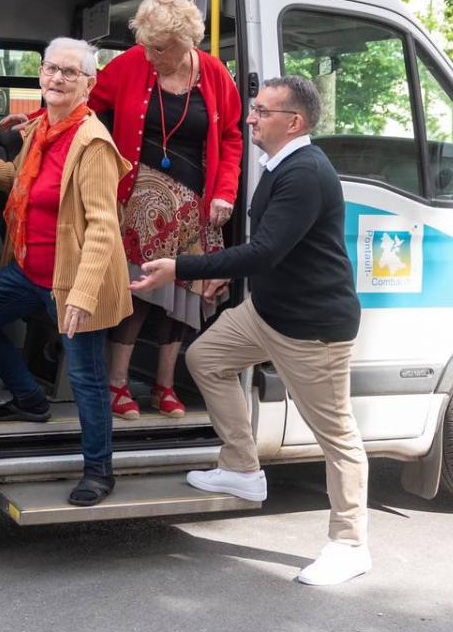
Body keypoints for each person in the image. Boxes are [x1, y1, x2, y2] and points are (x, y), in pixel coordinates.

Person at [131, 75, 371, 585]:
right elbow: (271, 246)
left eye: (262, 111)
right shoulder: (278, 164)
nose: (251, 117)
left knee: (337, 437)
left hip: (312, 329)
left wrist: (182, 268)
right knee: (207, 359)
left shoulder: (305, 173)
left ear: (294, 122)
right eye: (254, 108)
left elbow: (265, 251)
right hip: (268, 312)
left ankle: (350, 544)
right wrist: (224, 275)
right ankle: (242, 469)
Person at [0, 37, 134, 506]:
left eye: (70, 72)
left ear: (89, 84)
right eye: (51, 69)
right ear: (40, 74)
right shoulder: (41, 130)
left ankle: (99, 471)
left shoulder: (92, 143)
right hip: (28, 270)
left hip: (72, 280)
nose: (57, 78)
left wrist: (82, 295)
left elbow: (103, 227)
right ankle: (30, 398)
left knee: (86, 380)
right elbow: (13, 180)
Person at [85, 0, 245, 421]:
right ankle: (117, 383)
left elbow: (231, 136)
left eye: (159, 48)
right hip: (140, 199)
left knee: (184, 294)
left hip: (195, 205)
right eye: (146, 46)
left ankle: (165, 385)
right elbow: (85, 105)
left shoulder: (214, 73)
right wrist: (36, 125)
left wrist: (225, 192)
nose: (150, 55)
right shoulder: (132, 63)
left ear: (185, 42)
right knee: (140, 291)